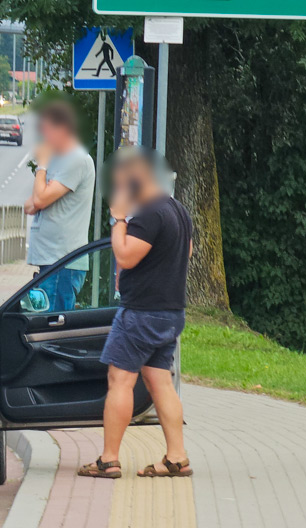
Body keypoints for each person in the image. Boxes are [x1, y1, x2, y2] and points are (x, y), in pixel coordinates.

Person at [78, 148, 193, 479]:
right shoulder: (177, 211)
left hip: (141, 313)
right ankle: (177, 457)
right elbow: (185, 252)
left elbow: (126, 257)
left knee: (119, 380)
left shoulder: (148, 214)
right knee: (160, 381)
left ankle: (109, 459)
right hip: (171, 312)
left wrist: (118, 221)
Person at [25, 100, 96, 312]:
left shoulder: (76, 160)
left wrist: (42, 166)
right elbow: (30, 205)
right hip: (51, 260)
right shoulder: (57, 161)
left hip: (63, 261)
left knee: (52, 327)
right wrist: (43, 188)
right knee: (43, 324)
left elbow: (39, 200)